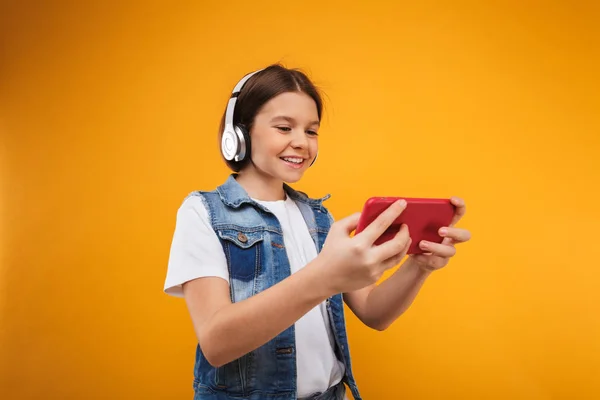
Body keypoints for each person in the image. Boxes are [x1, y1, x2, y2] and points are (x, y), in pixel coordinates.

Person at [164, 64, 471, 400]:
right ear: (240, 132)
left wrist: (419, 266)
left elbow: (374, 312)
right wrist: (323, 277)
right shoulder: (203, 212)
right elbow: (216, 343)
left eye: (311, 131)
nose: (301, 142)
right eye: (284, 127)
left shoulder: (319, 218)